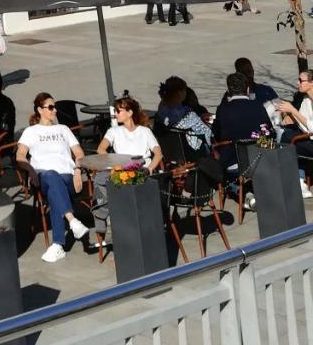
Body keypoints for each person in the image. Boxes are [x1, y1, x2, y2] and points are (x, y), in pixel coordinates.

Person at [16, 92, 87, 263]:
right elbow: (20, 156)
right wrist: (31, 171)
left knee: (56, 190)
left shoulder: (63, 129)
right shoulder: (31, 131)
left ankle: (58, 244)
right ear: (40, 110)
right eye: (50, 107)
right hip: (43, 178)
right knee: (50, 174)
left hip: (67, 177)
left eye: (55, 107)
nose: (55, 110)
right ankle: (72, 221)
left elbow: (79, 153)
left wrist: (78, 170)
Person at [91, 97, 163, 245]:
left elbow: (158, 154)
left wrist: (149, 169)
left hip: (142, 171)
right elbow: (101, 148)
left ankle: (112, 220)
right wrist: (113, 165)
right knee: (102, 179)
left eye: (119, 111)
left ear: (129, 112)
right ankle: (107, 217)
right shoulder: (114, 131)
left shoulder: (145, 131)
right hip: (122, 170)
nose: (116, 114)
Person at [213, 73, 274, 171]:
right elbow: (268, 132)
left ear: (228, 91)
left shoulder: (223, 109)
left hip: (232, 162)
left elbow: (217, 134)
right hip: (259, 159)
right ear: (248, 90)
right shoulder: (258, 106)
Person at [155, 77, 212, 154]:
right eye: (185, 90)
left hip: (168, 152)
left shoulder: (161, 112)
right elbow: (207, 134)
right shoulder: (187, 113)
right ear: (180, 93)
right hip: (189, 153)